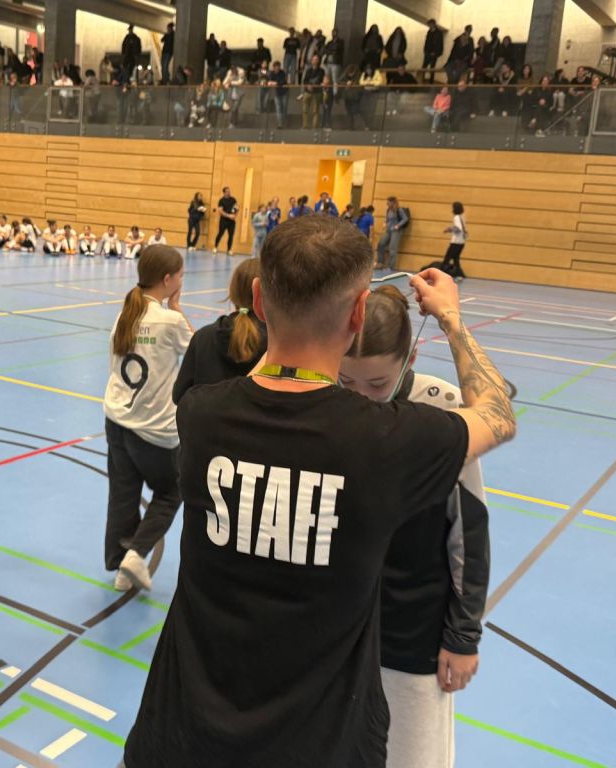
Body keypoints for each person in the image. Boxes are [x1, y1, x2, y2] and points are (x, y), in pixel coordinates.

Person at [122, 215, 515, 768]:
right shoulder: (387, 442)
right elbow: (498, 414)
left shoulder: (201, 415)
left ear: (259, 302)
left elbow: (265, 386)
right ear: (359, 314)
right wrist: (450, 318)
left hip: (181, 739)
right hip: (319, 746)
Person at [339, 286, 489, 768]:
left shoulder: (442, 412)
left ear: (410, 358)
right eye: (346, 381)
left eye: (377, 384)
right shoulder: (327, 406)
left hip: (412, 637)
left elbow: (468, 531)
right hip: (338, 632)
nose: (360, 397)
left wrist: (462, 636)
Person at [103, 246, 192, 592]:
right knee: (172, 491)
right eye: (180, 275)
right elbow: (197, 350)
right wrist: (178, 309)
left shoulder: (125, 314)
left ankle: (120, 564)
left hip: (117, 419)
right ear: (167, 280)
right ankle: (136, 555)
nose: (182, 280)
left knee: (123, 494)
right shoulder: (169, 321)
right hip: (153, 429)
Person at [172, 257, 267, 404]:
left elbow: (179, 395)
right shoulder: (276, 346)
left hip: (206, 418)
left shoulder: (202, 337)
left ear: (232, 292)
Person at [376, 196, 409, 270]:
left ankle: (390, 267)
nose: (387, 203)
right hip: (388, 230)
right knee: (381, 244)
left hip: (396, 231)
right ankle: (380, 262)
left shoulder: (399, 210)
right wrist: (385, 223)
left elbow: (405, 219)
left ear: (392, 202)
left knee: (392, 248)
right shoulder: (388, 210)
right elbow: (387, 219)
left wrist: (398, 225)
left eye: (388, 202)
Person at [442, 201, 468, 279]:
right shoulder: (462, 217)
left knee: (447, 258)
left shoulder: (456, 217)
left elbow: (458, 229)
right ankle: (459, 274)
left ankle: (442, 275)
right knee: (456, 259)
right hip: (462, 242)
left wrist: (449, 229)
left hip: (456, 242)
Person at [213, 186, 237, 255]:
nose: (229, 192)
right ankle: (215, 247)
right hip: (224, 221)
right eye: (227, 191)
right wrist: (229, 216)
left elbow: (236, 208)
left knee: (231, 235)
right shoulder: (221, 200)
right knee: (220, 233)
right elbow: (221, 211)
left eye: (229, 191)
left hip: (232, 221)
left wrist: (234, 215)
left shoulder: (233, 199)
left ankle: (229, 250)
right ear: (224, 193)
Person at [302, 54, 325, 130]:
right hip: (307, 92)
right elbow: (305, 80)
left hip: (316, 92)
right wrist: (308, 86)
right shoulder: (308, 70)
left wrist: (313, 85)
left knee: (316, 111)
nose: (315, 61)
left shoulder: (321, 71)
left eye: (316, 59)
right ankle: (305, 126)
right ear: (311, 61)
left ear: (318, 61)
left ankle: (315, 127)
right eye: (313, 59)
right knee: (305, 110)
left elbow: (320, 80)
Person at [266, 61, 289, 128]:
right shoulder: (271, 74)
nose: (277, 69)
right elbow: (269, 81)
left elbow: (283, 81)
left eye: (278, 67)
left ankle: (284, 122)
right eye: (276, 68)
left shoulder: (282, 73)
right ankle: (280, 124)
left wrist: (276, 83)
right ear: (273, 68)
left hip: (284, 92)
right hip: (276, 93)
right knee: (278, 108)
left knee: (284, 108)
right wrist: (273, 83)